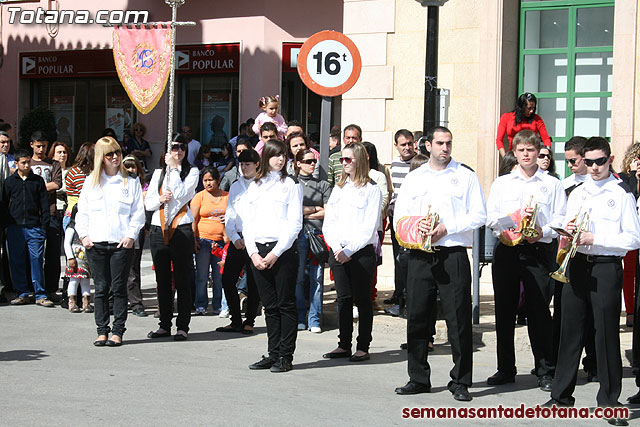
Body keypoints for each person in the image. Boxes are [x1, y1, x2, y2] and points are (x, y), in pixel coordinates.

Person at [547, 137, 640, 427]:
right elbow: (560, 219)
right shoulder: (576, 191)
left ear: (610, 160)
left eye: (600, 161)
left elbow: (633, 237)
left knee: (605, 335)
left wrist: (595, 238)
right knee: (569, 332)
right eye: (589, 162)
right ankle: (560, 396)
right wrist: (567, 228)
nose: (595, 167)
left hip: (605, 267)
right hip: (576, 265)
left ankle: (610, 403)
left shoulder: (622, 192)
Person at [393, 126, 486, 402]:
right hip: (421, 254)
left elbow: (479, 214)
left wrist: (449, 227)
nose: (445, 148)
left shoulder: (465, 176)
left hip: (452, 253)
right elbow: (401, 213)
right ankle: (418, 377)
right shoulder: (415, 177)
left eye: (449, 143)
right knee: (418, 317)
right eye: (440, 143)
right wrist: (416, 224)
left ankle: (460, 381)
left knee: (458, 320)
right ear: (428, 146)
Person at [486, 130, 566, 391]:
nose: (526, 155)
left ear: (538, 151)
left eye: (531, 150)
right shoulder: (502, 183)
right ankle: (505, 368)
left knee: (540, 310)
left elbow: (561, 219)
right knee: (505, 311)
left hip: (538, 251)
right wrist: (516, 218)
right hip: (508, 249)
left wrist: (542, 232)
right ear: (515, 152)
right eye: (521, 150)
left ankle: (544, 369)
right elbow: (492, 220)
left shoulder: (552, 183)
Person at [75, 137, 145, 346]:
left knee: (118, 287)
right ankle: (101, 330)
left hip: (120, 244)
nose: (115, 157)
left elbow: (137, 213)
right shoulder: (91, 182)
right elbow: (82, 212)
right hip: (95, 244)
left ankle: (118, 331)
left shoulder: (130, 181)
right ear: (100, 158)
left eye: (117, 153)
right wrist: (84, 235)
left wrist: (131, 235)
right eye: (109, 154)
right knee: (102, 288)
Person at [244, 139, 302, 373]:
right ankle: (273, 352)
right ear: (265, 158)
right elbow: (247, 223)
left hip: (283, 251)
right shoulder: (254, 186)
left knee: (285, 304)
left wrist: (277, 252)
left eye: (283, 155)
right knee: (269, 306)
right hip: (259, 250)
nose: (280, 159)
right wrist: (253, 253)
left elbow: (295, 223)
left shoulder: (291, 184)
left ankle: (286, 355)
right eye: (276, 155)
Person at [322, 142, 381, 362]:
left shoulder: (372, 189)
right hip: (339, 251)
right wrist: (337, 248)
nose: (343, 163)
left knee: (363, 300)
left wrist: (349, 249)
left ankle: (363, 346)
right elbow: (329, 223)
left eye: (347, 159)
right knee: (343, 299)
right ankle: (343, 344)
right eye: (341, 160)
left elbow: (369, 226)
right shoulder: (339, 189)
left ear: (359, 160)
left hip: (361, 251)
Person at [145, 135, 199, 341]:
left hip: (181, 228)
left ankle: (183, 326)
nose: (178, 152)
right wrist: (159, 199)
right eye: (174, 148)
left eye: (182, 148)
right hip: (159, 228)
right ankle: (164, 324)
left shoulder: (191, 172)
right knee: (163, 279)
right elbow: (149, 203)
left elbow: (182, 194)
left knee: (183, 279)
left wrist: (175, 169)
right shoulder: (158, 173)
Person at [218, 148, 262, 334]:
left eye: (248, 164)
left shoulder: (263, 185)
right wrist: (234, 237)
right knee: (228, 279)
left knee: (254, 282)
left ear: (257, 164)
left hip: (256, 239)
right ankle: (235, 318)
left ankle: (249, 319)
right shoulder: (236, 185)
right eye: (241, 164)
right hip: (238, 239)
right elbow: (230, 213)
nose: (244, 168)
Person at [4, 149, 51, 307]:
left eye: (28, 162)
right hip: (15, 227)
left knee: (36, 259)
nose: (26, 165)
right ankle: (22, 293)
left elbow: (44, 205)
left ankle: (40, 294)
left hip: (34, 226)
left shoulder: (37, 181)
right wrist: (5, 225)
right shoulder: (10, 182)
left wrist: (44, 226)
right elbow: (4, 205)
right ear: (16, 163)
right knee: (16, 260)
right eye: (23, 162)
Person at [294, 148, 331, 333]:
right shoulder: (293, 184)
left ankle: (314, 319)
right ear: (298, 163)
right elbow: (293, 211)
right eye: (308, 161)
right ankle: (301, 316)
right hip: (299, 235)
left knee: (317, 279)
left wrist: (305, 212)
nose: (312, 164)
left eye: (314, 161)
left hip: (318, 235)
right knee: (299, 278)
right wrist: (315, 209)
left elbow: (328, 211)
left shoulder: (324, 185)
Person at [385, 129, 417, 316]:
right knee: (398, 258)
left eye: (410, 143)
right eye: (403, 144)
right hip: (395, 216)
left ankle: (407, 300)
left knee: (407, 260)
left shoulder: (420, 163)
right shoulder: (394, 164)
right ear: (396, 145)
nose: (407, 147)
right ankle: (399, 295)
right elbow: (393, 191)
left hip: (412, 218)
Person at [29, 131, 63, 302]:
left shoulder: (53, 164)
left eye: (44, 145)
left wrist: (34, 186)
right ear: (31, 145)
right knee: (34, 254)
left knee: (53, 252)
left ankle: (51, 288)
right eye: (38, 146)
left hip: (50, 212)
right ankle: (33, 288)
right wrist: (42, 187)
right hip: (31, 214)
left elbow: (57, 183)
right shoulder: (27, 162)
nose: (41, 149)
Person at [191, 166, 229, 316]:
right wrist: (193, 240)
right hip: (203, 241)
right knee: (202, 275)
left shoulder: (227, 196)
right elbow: (193, 219)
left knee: (219, 276)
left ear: (218, 180)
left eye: (211, 180)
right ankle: (200, 304)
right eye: (205, 180)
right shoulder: (199, 196)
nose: (208, 183)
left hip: (221, 242)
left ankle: (218, 305)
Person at [362, 141, 390, 313]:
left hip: (374, 227)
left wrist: (369, 216)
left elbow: (384, 199)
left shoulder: (377, 176)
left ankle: (370, 298)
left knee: (371, 264)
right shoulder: (349, 174)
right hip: (353, 228)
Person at [617, 142, 640, 328]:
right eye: (637, 158)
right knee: (629, 272)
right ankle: (630, 311)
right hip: (631, 234)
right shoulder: (623, 177)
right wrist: (634, 176)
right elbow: (630, 196)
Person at [122, 155, 149, 317]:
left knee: (133, 268)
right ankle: (114, 301)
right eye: (128, 167)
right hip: (118, 230)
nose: (131, 170)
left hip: (136, 230)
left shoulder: (143, 187)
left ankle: (136, 302)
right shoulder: (117, 183)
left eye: (133, 167)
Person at [496, 92, 551, 157]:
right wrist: (505, 158)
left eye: (533, 108)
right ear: (521, 107)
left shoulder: (537, 119)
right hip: (513, 156)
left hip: (531, 156)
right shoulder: (507, 117)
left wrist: (546, 155)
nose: (531, 111)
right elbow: (499, 140)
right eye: (529, 108)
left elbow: (546, 139)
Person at [63, 206, 93, 313]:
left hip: (85, 260)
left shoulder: (88, 228)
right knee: (74, 280)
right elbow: (67, 243)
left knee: (85, 280)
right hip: (75, 259)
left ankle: (86, 302)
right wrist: (70, 257)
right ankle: (72, 302)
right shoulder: (71, 228)